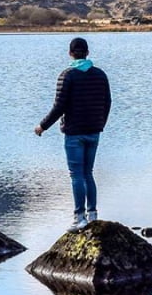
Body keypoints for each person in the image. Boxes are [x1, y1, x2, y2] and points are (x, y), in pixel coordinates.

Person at [34, 37, 112, 228]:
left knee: (76, 175)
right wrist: (100, 123)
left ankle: (80, 218)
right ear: (87, 53)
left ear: (70, 54)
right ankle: (92, 214)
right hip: (94, 131)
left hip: (74, 133)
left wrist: (42, 126)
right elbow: (107, 102)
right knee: (88, 173)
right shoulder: (100, 75)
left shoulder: (67, 75)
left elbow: (59, 106)